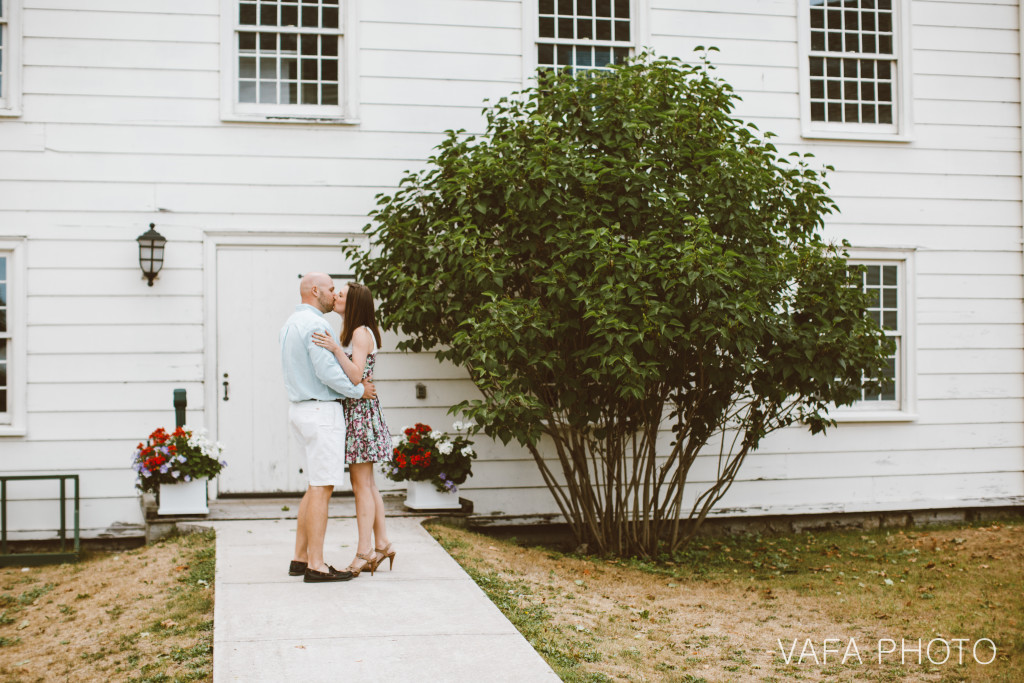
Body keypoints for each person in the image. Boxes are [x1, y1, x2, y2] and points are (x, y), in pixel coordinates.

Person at [281, 272, 377, 583]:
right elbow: (328, 373)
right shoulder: (317, 325)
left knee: (313, 485)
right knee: (322, 487)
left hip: (299, 410)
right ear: (314, 290)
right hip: (322, 412)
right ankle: (317, 565)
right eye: (331, 289)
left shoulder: (290, 324)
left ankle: (299, 558)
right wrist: (358, 390)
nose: (334, 295)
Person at [312, 282, 396, 577]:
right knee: (368, 484)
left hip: (360, 412)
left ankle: (365, 552)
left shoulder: (360, 332)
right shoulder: (359, 331)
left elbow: (357, 376)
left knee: (361, 485)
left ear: (355, 303)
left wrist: (335, 349)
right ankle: (382, 542)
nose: (335, 296)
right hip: (361, 410)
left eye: (342, 295)